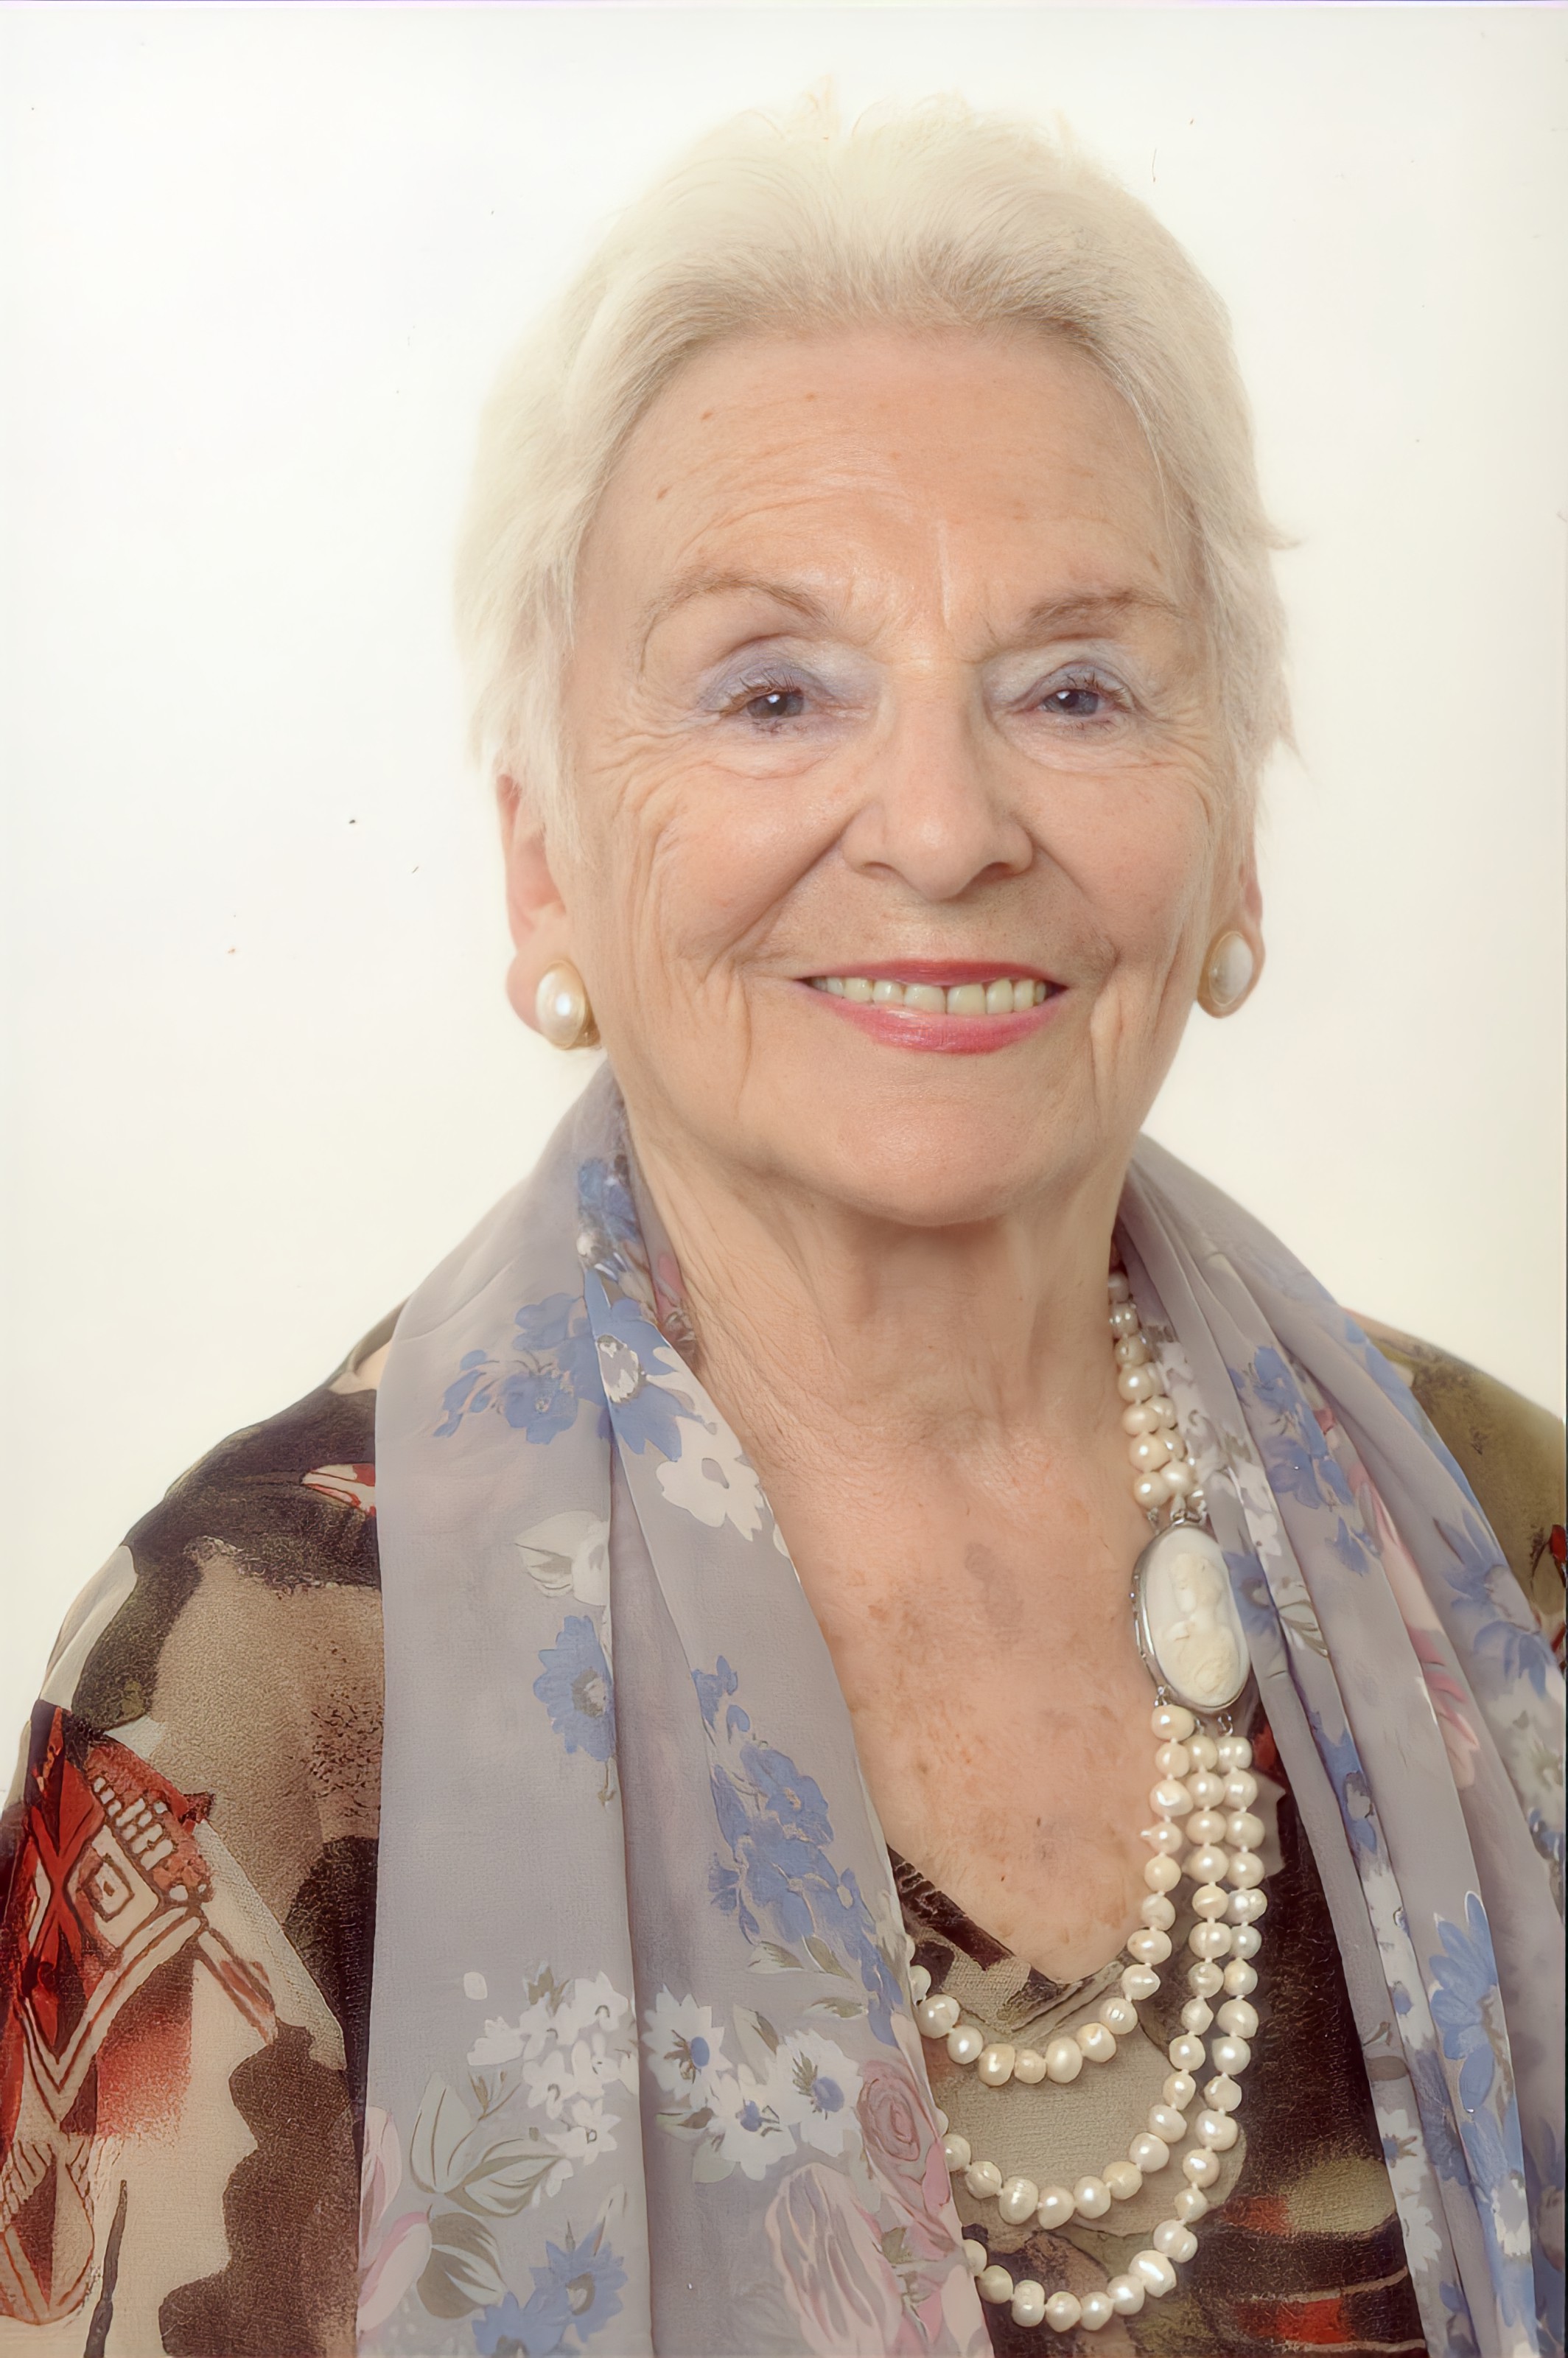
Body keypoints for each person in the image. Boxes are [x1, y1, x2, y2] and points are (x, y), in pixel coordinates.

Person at [1, 95, 1562, 2358]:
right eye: (771, 692)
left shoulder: (1503, 1534)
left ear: (1234, 841)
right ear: (544, 864)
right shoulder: (253, 1687)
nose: (939, 825)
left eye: (1077, 688)